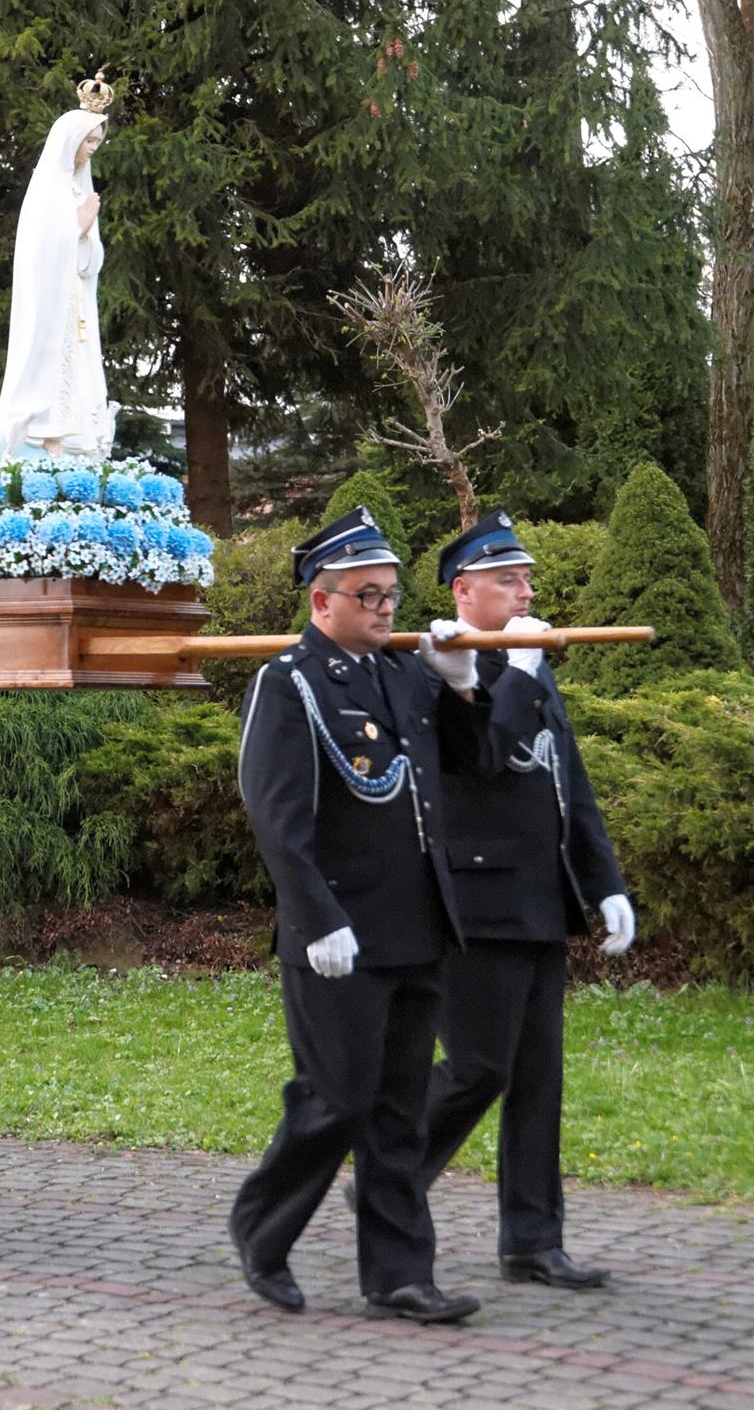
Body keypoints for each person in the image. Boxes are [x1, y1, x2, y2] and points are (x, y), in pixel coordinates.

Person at [227, 506, 493, 1325]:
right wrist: (315, 918)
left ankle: (400, 1275)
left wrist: (462, 687)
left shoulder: (404, 673)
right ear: (322, 601)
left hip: (417, 923)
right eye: (367, 595)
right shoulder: (291, 682)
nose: (384, 608)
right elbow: (277, 815)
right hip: (338, 934)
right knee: (336, 1098)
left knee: (399, 1113)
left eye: (390, 594)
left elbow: (469, 767)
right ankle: (261, 1228)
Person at [418, 511, 635, 1290]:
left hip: (541, 898)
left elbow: (565, 780)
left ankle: (533, 1241)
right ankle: (390, 1172)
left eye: (527, 580)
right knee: (478, 1068)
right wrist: (515, 670)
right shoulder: (439, 665)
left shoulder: (526, 660)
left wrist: (604, 883)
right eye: (508, 580)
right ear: (463, 590)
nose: (526, 592)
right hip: (476, 904)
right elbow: (486, 757)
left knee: (539, 1077)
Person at [0, 71, 118, 458]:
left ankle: (78, 435)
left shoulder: (79, 189)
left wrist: (85, 237)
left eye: (97, 142)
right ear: (70, 141)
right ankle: (45, 432)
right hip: (49, 301)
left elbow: (89, 263)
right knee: (47, 360)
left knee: (79, 363)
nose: (92, 148)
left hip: (76, 301)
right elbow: (37, 250)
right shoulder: (46, 190)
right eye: (88, 141)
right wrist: (76, 228)